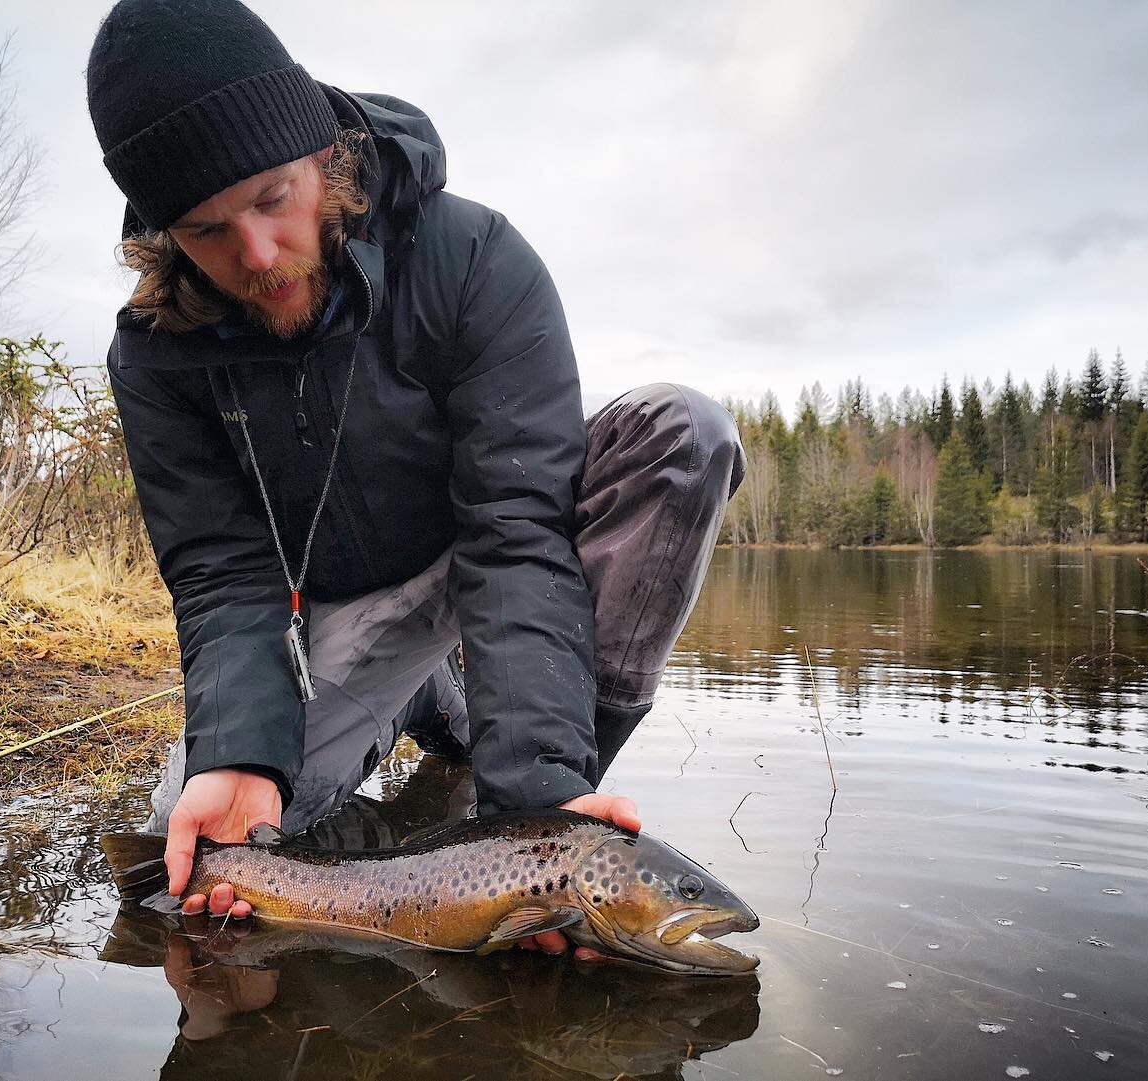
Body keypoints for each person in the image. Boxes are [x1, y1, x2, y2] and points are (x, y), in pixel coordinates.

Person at [86, 0, 745, 957]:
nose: (258, 256)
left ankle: (556, 794)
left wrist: (539, 806)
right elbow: (224, 572)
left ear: (323, 156)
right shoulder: (155, 352)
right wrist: (235, 752)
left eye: (273, 197)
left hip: (479, 554)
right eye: (205, 228)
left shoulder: (475, 260)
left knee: (686, 430)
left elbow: (519, 533)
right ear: (161, 231)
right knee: (212, 839)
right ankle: (427, 698)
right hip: (332, 617)